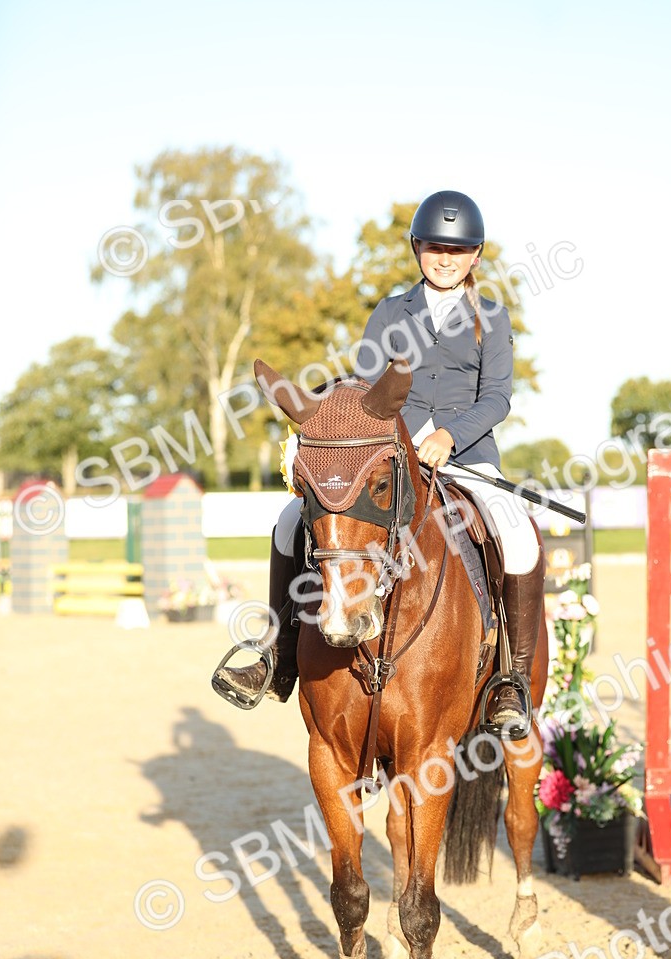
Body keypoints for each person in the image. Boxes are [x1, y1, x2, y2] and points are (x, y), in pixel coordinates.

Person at [213, 190, 543, 736]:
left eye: (457, 250)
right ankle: (280, 655)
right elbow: (366, 389)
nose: (445, 258)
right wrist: (372, 437)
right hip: (389, 454)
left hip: (467, 457)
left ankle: (513, 677)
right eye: (436, 247)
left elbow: (498, 399)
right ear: (417, 248)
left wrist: (448, 436)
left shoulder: (492, 317)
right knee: (290, 522)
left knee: (520, 534)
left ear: (476, 256)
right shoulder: (391, 311)